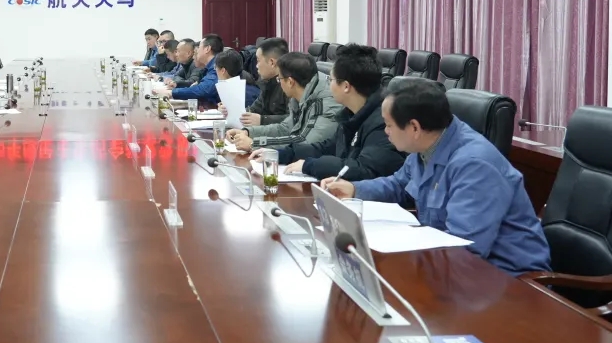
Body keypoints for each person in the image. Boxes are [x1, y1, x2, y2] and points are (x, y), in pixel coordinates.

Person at [324, 78, 551, 277]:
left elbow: (466, 248)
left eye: (389, 125)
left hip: (505, 278)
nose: (385, 131)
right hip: (449, 268)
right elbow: (399, 184)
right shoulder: (426, 146)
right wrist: (354, 189)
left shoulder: (474, 165)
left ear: (414, 127)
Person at [264, 44, 404, 181]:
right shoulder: (350, 114)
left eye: (330, 79)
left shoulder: (383, 122)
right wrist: (284, 154)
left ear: (346, 86)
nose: (328, 84)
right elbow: (327, 147)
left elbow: (364, 169)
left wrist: (310, 165)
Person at [228, 51, 340, 150]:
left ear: (290, 82)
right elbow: (285, 128)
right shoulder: (300, 94)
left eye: (279, 79)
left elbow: (306, 144)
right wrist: (248, 132)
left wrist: (254, 143)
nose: (279, 83)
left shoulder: (325, 104)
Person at [162, 34, 224, 106]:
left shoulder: (217, 66)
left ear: (207, 49)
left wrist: (171, 93)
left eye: (199, 47)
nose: (195, 54)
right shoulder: (208, 67)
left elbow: (202, 90)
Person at [242, 37, 290, 126]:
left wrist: (263, 120)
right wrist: (232, 111)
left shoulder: (290, 84)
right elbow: (254, 110)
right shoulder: (267, 82)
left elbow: (294, 120)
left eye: (258, 61)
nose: (256, 66)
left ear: (272, 62)